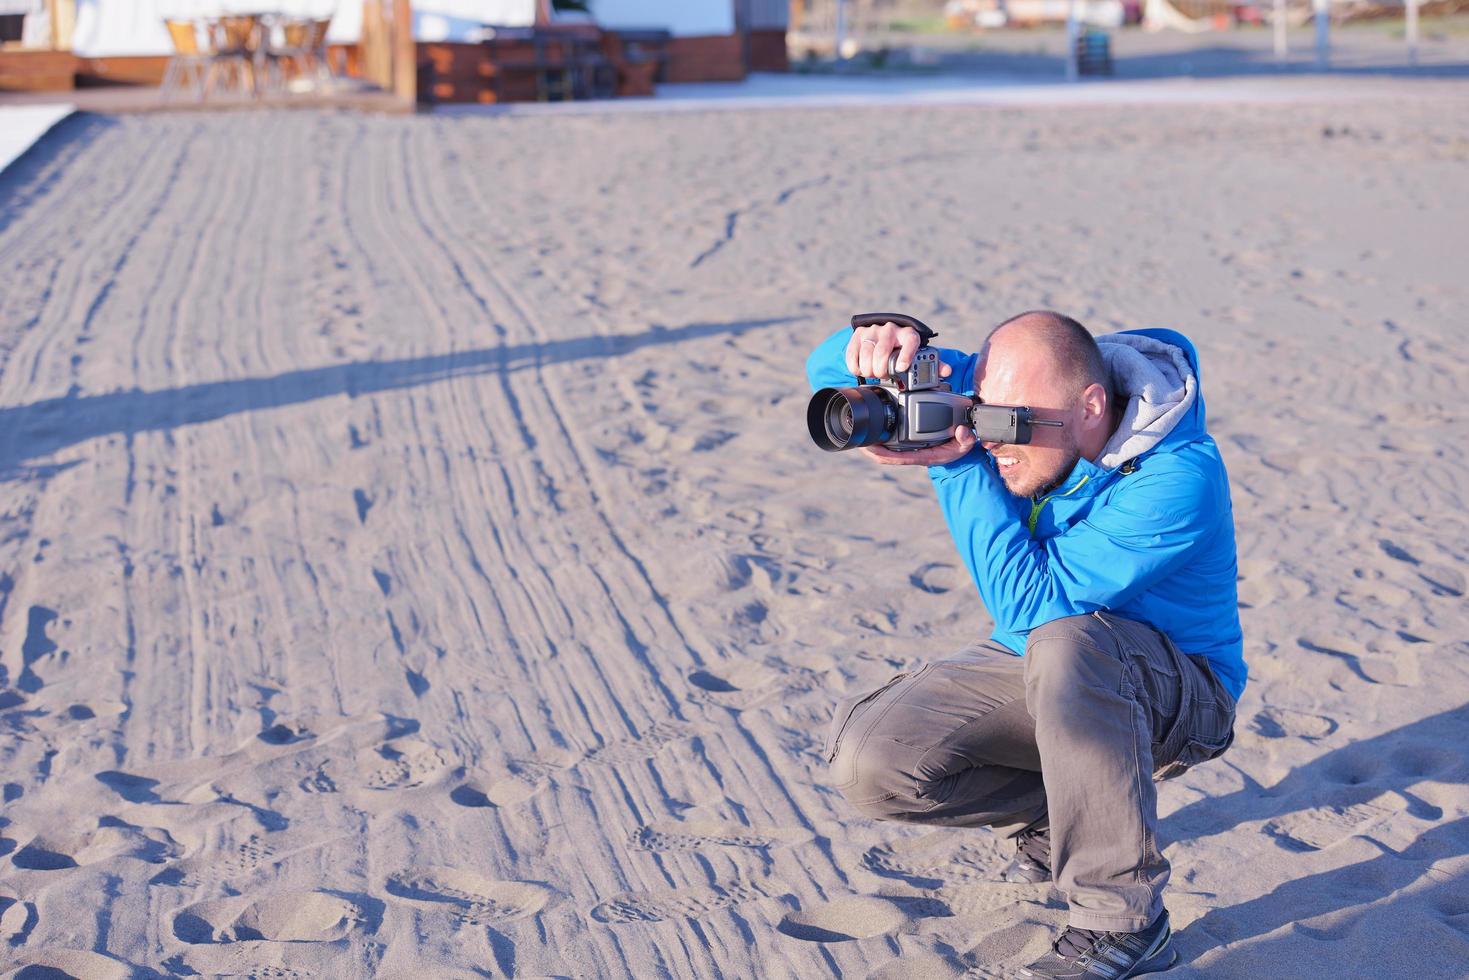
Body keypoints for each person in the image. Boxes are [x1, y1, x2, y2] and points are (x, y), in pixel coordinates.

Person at [804, 311, 1244, 978]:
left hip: (1181, 696)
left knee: (1068, 642)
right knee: (872, 759)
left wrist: (955, 468)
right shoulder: (1001, 389)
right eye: (977, 412)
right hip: (1049, 665)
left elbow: (1032, 605)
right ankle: (1062, 812)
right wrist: (872, 347)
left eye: (1005, 425)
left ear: (1090, 406)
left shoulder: (1177, 476)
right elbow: (825, 372)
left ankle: (1123, 921)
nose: (989, 436)